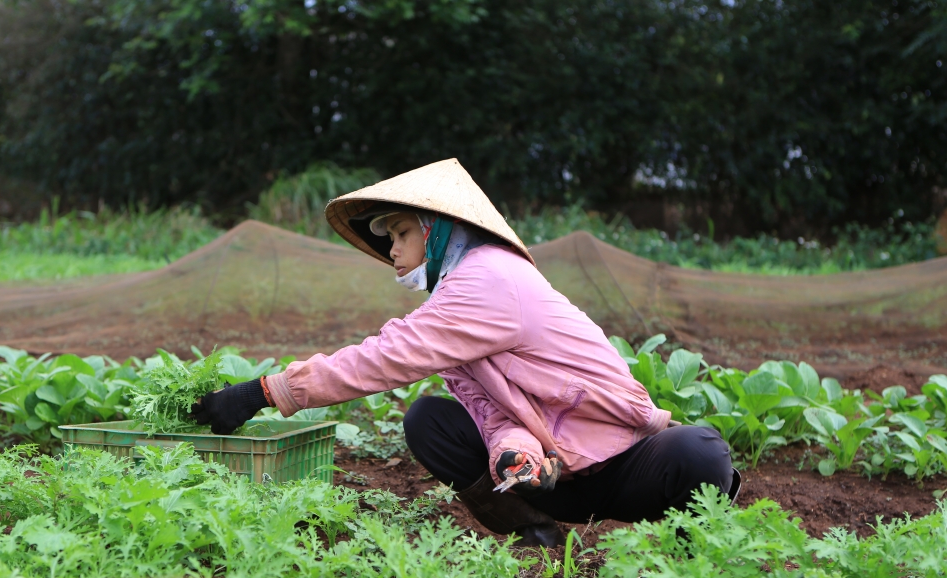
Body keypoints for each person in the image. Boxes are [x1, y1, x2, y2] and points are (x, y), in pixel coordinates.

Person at [190, 158, 740, 547]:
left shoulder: (489, 279)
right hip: (553, 478)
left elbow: (387, 356)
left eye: (402, 232)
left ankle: (695, 541)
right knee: (431, 418)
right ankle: (536, 528)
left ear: (437, 231)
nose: (392, 249)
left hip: (623, 464)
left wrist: (266, 391)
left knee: (698, 452)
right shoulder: (456, 300)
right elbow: (496, 410)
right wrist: (516, 455)